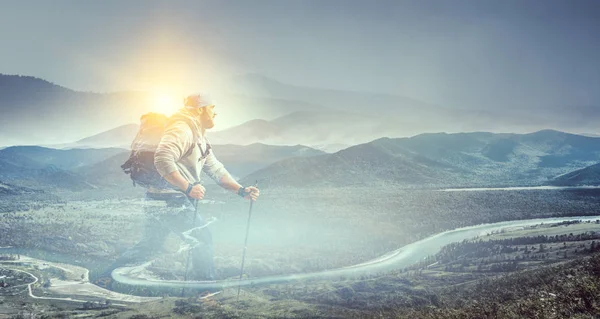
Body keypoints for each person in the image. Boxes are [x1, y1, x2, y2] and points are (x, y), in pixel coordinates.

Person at [102, 93, 259, 283]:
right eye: (212, 108)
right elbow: (162, 158)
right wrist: (188, 187)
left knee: (150, 244)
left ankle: (104, 278)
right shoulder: (182, 129)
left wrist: (241, 190)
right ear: (201, 109)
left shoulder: (197, 135)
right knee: (202, 238)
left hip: (159, 197)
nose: (215, 113)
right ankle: (204, 291)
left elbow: (215, 169)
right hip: (172, 199)